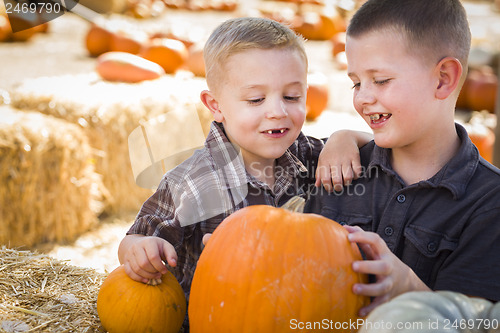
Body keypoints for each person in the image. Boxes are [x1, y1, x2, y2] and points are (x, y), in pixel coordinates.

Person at [118, 16, 372, 329]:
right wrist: (141, 250)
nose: (277, 110)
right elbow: (135, 239)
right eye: (256, 99)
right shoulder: (192, 181)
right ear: (216, 105)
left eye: (292, 96)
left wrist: (345, 137)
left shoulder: (309, 154)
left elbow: (380, 150)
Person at [308, 0, 500, 317]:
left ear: (443, 79)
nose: (362, 97)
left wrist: (408, 287)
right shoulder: (337, 166)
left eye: (380, 80)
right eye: (356, 82)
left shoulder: (488, 204)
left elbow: (472, 323)